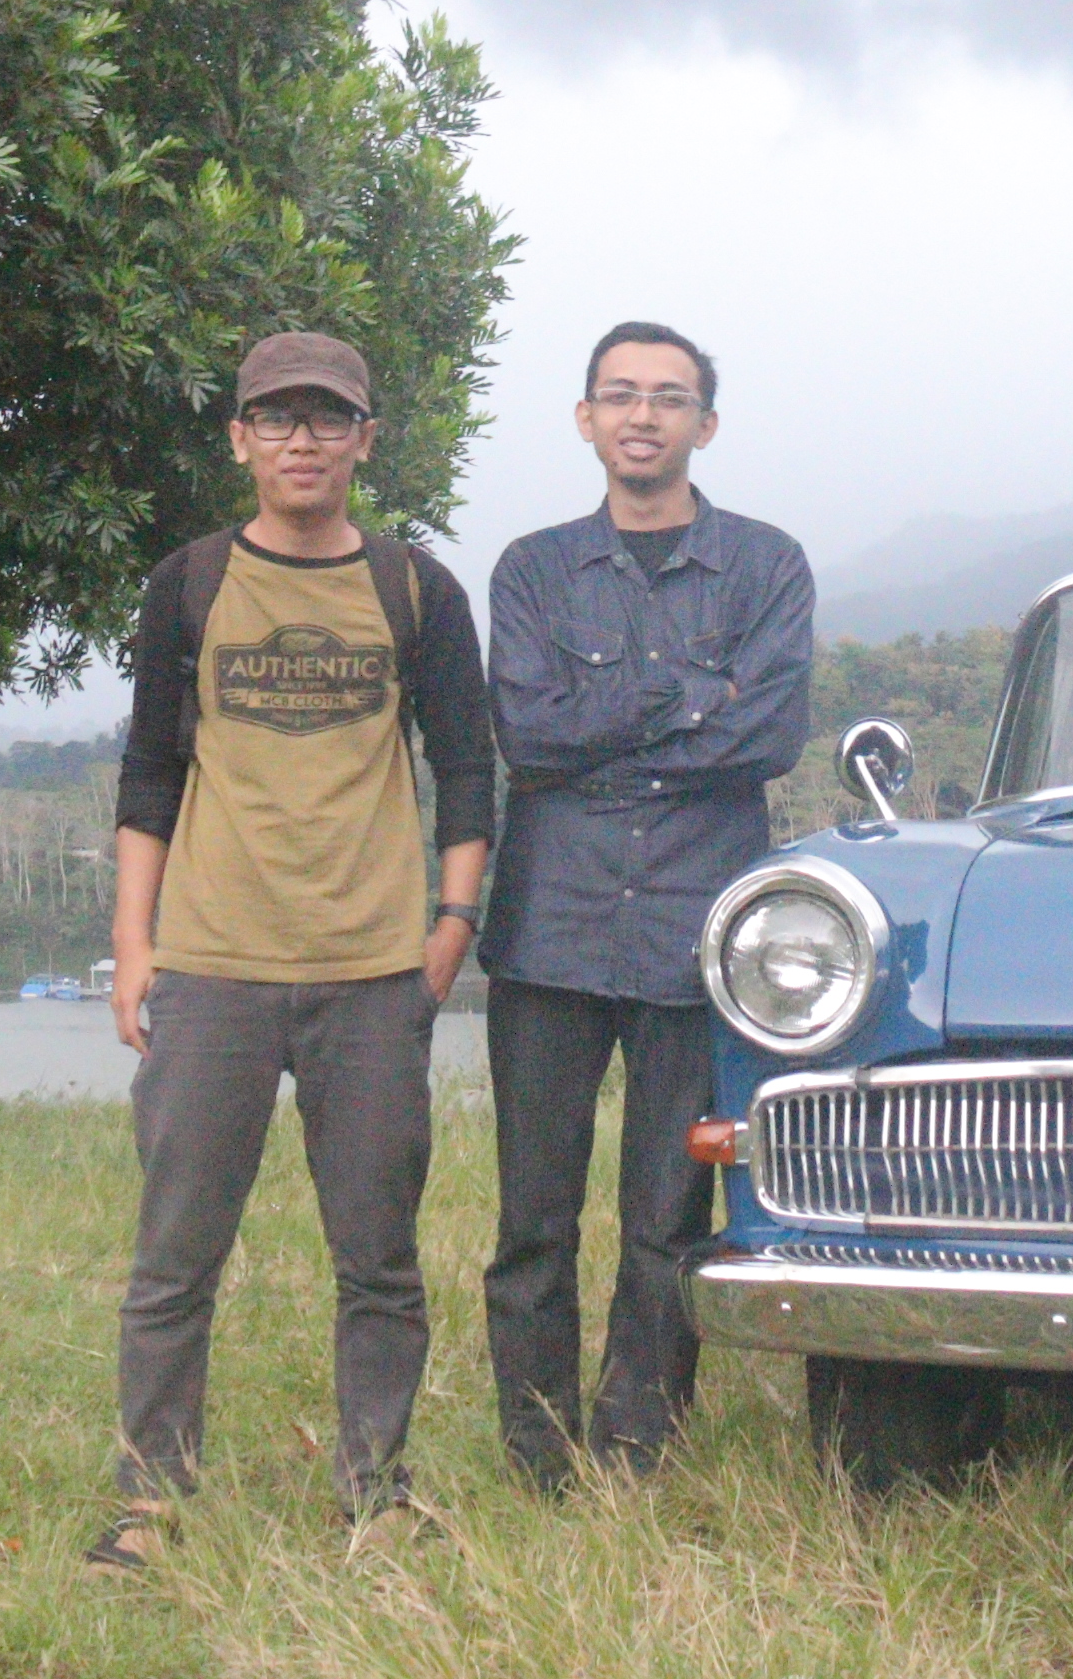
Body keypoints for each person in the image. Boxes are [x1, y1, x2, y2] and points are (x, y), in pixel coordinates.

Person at [93, 331, 496, 1567]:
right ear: (240, 439)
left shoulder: (416, 589)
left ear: (367, 439)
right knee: (176, 1251)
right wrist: (133, 938)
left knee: (377, 1255)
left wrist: (449, 929)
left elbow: (469, 767)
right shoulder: (190, 583)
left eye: (329, 418)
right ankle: (151, 1501)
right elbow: (153, 767)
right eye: (278, 418)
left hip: (373, 970)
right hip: (214, 962)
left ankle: (375, 1492)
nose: (304, 439)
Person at [478, 321, 815, 1487]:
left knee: (669, 1214)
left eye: (669, 397)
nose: (643, 415)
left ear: (704, 425)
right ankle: (536, 1450)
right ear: (584, 419)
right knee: (535, 1218)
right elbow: (527, 733)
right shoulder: (529, 567)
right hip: (550, 932)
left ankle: (639, 1447)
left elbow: (765, 738)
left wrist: (606, 717)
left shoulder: (767, 564)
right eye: (619, 394)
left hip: (695, 933)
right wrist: (684, 694)